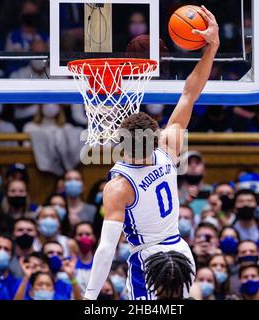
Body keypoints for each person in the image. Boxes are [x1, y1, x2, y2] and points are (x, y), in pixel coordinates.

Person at [83, 7, 219, 300]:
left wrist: (89, 297)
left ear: (121, 144)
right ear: (155, 139)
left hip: (150, 261)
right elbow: (190, 92)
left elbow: (107, 249)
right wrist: (212, 47)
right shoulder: (169, 147)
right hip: (182, 251)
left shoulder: (119, 186)